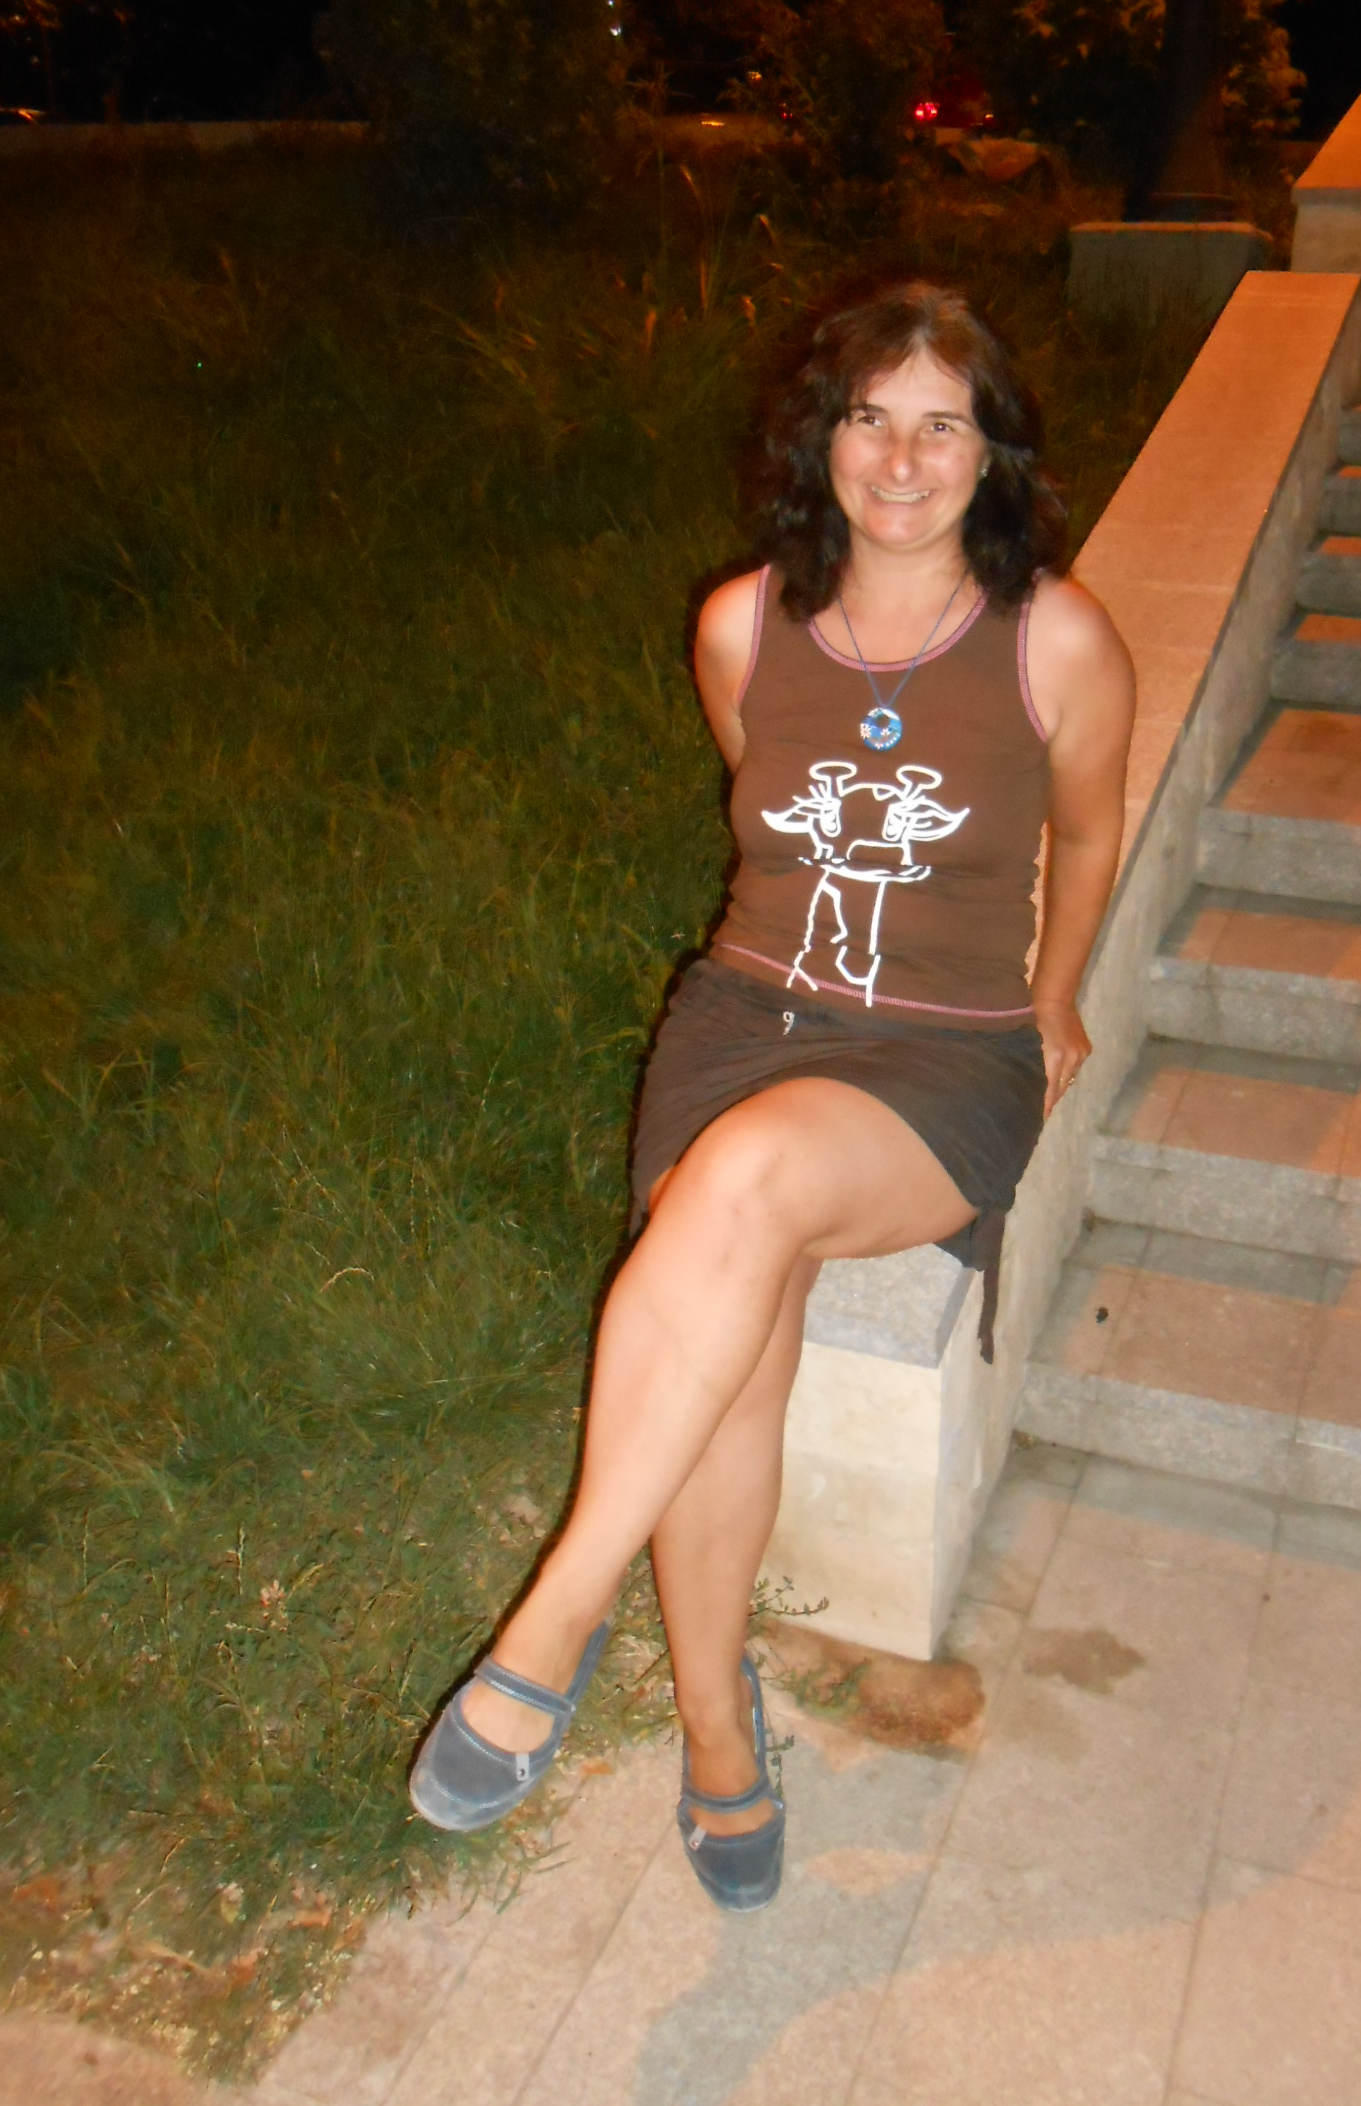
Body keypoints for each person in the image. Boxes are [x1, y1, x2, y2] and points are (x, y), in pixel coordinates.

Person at [406, 280, 1136, 1912]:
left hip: (940, 1050)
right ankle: (718, 1732)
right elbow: (766, 805)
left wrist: (1055, 990)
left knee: (739, 1188)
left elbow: (1088, 826)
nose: (901, 458)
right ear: (820, 439)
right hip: (743, 1019)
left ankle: (551, 1623)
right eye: (868, 417)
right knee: (730, 1358)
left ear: (992, 454)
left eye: (941, 424)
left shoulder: (1054, 639)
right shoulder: (741, 625)